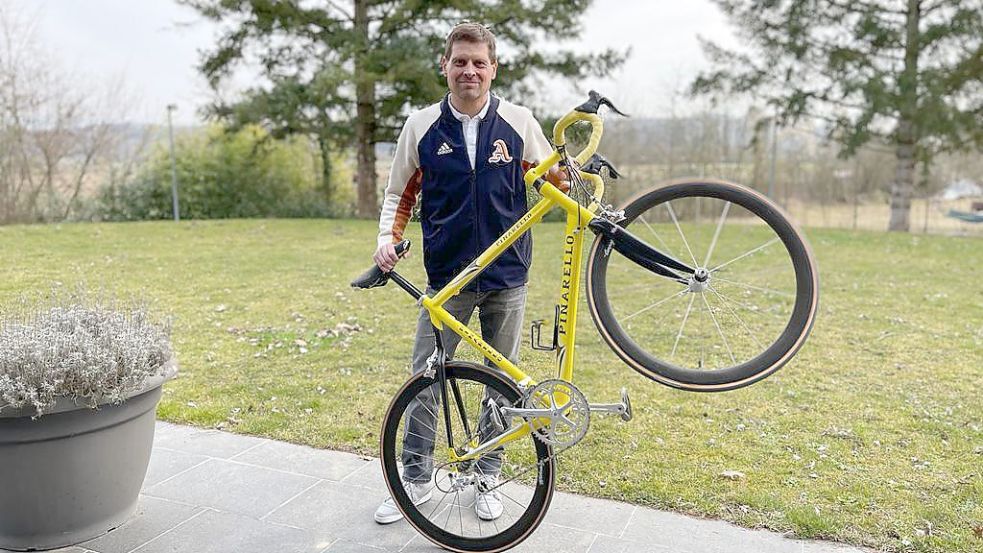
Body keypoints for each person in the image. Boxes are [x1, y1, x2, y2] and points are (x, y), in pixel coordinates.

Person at [372, 22, 565, 525]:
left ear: (493, 69)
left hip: (508, 277)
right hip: (447, 280)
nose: (469, 71)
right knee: (426, 377)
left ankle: (486, 475)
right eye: (460, 61)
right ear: (445, 66)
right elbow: (399, 195)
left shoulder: (520, 122)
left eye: (479, 62)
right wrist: (386, 240)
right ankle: (413, 481)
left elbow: (555, 184)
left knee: (501, 381)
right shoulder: (420, 126)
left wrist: (572, 170)